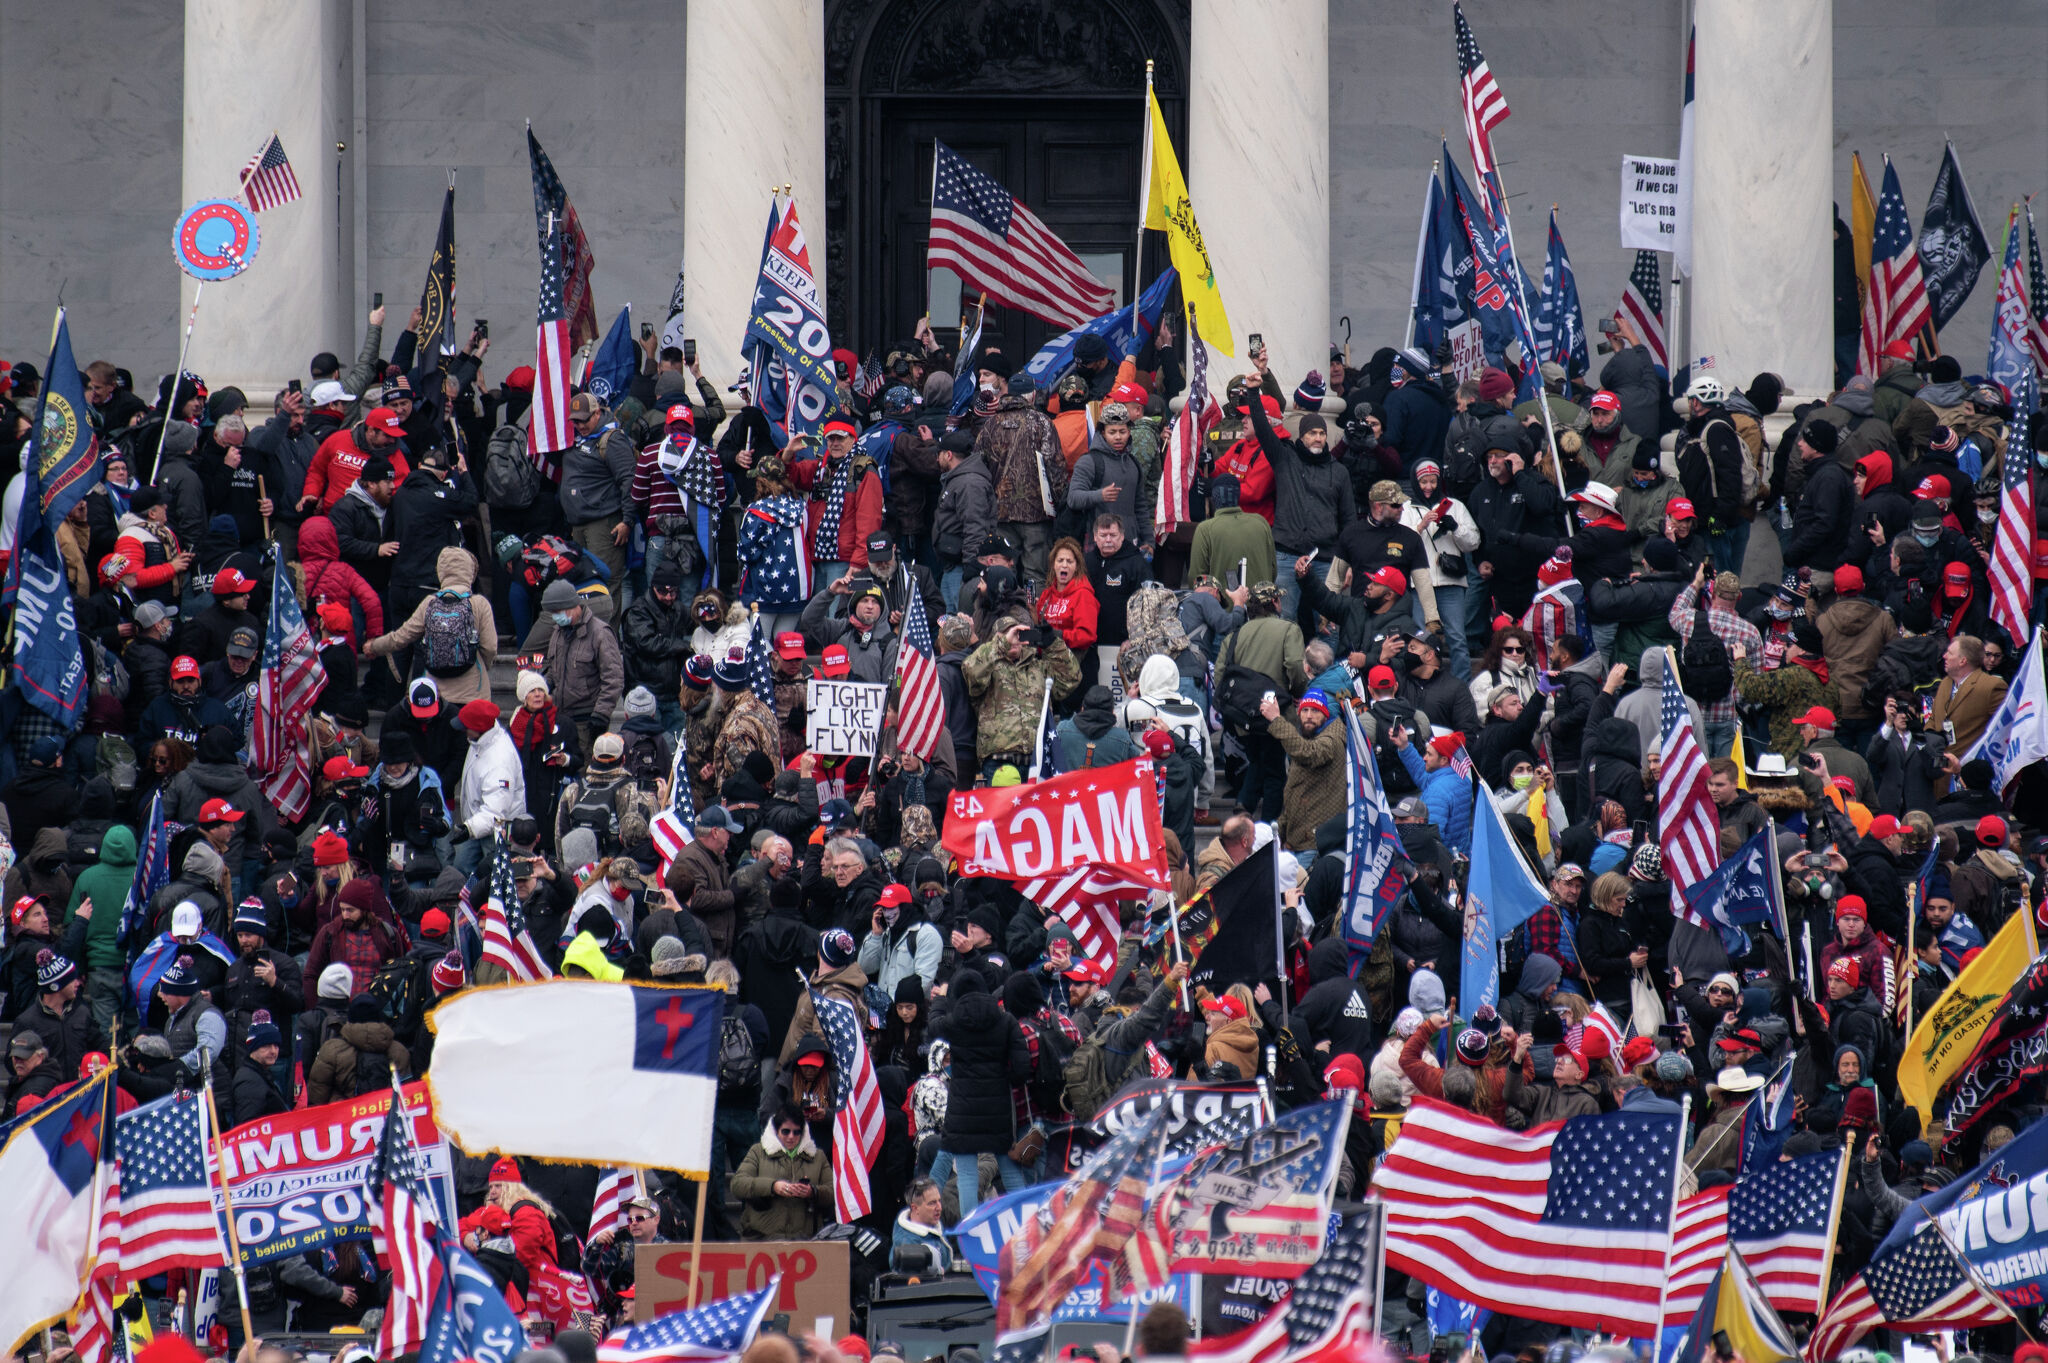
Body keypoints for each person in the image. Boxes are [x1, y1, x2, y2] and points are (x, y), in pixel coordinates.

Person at [732, 1102, 834, 1239]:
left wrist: (813, 1191)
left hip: (806, 1240)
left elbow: (833, 1192)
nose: (791, 1136)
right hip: (761, 1238)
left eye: (796, 1132)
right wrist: (772, 1187)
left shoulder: (818, 1156)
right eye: (785, 1131)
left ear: (803, 1131)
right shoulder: (757, 1151)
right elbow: (737, 1184)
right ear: (776, 1130)